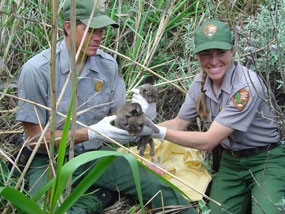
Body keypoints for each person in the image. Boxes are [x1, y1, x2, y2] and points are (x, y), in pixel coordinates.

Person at [15, 0, 197, 213]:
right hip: (49, 161)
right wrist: (91, 133)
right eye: (90, 30)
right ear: (68, 27)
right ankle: (94, 200)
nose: (98, 37)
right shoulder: (37, 71)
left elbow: (117, 119)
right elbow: (34, 138)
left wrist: (139, 116)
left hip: (96, 155)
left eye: (101, 30)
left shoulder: (107, 66)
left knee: (161, 189)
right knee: (45, 209)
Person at [136, 20, 285, 213]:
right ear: (197, 56)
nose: (213, 62)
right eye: (206, 55)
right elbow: (180, 123)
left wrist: (155, 131)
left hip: (265, 160)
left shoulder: (245, 86)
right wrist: (140, 128)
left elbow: (208, 141)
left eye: (220, 53)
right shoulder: (200, 83)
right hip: (231, 163)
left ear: (232, 51)